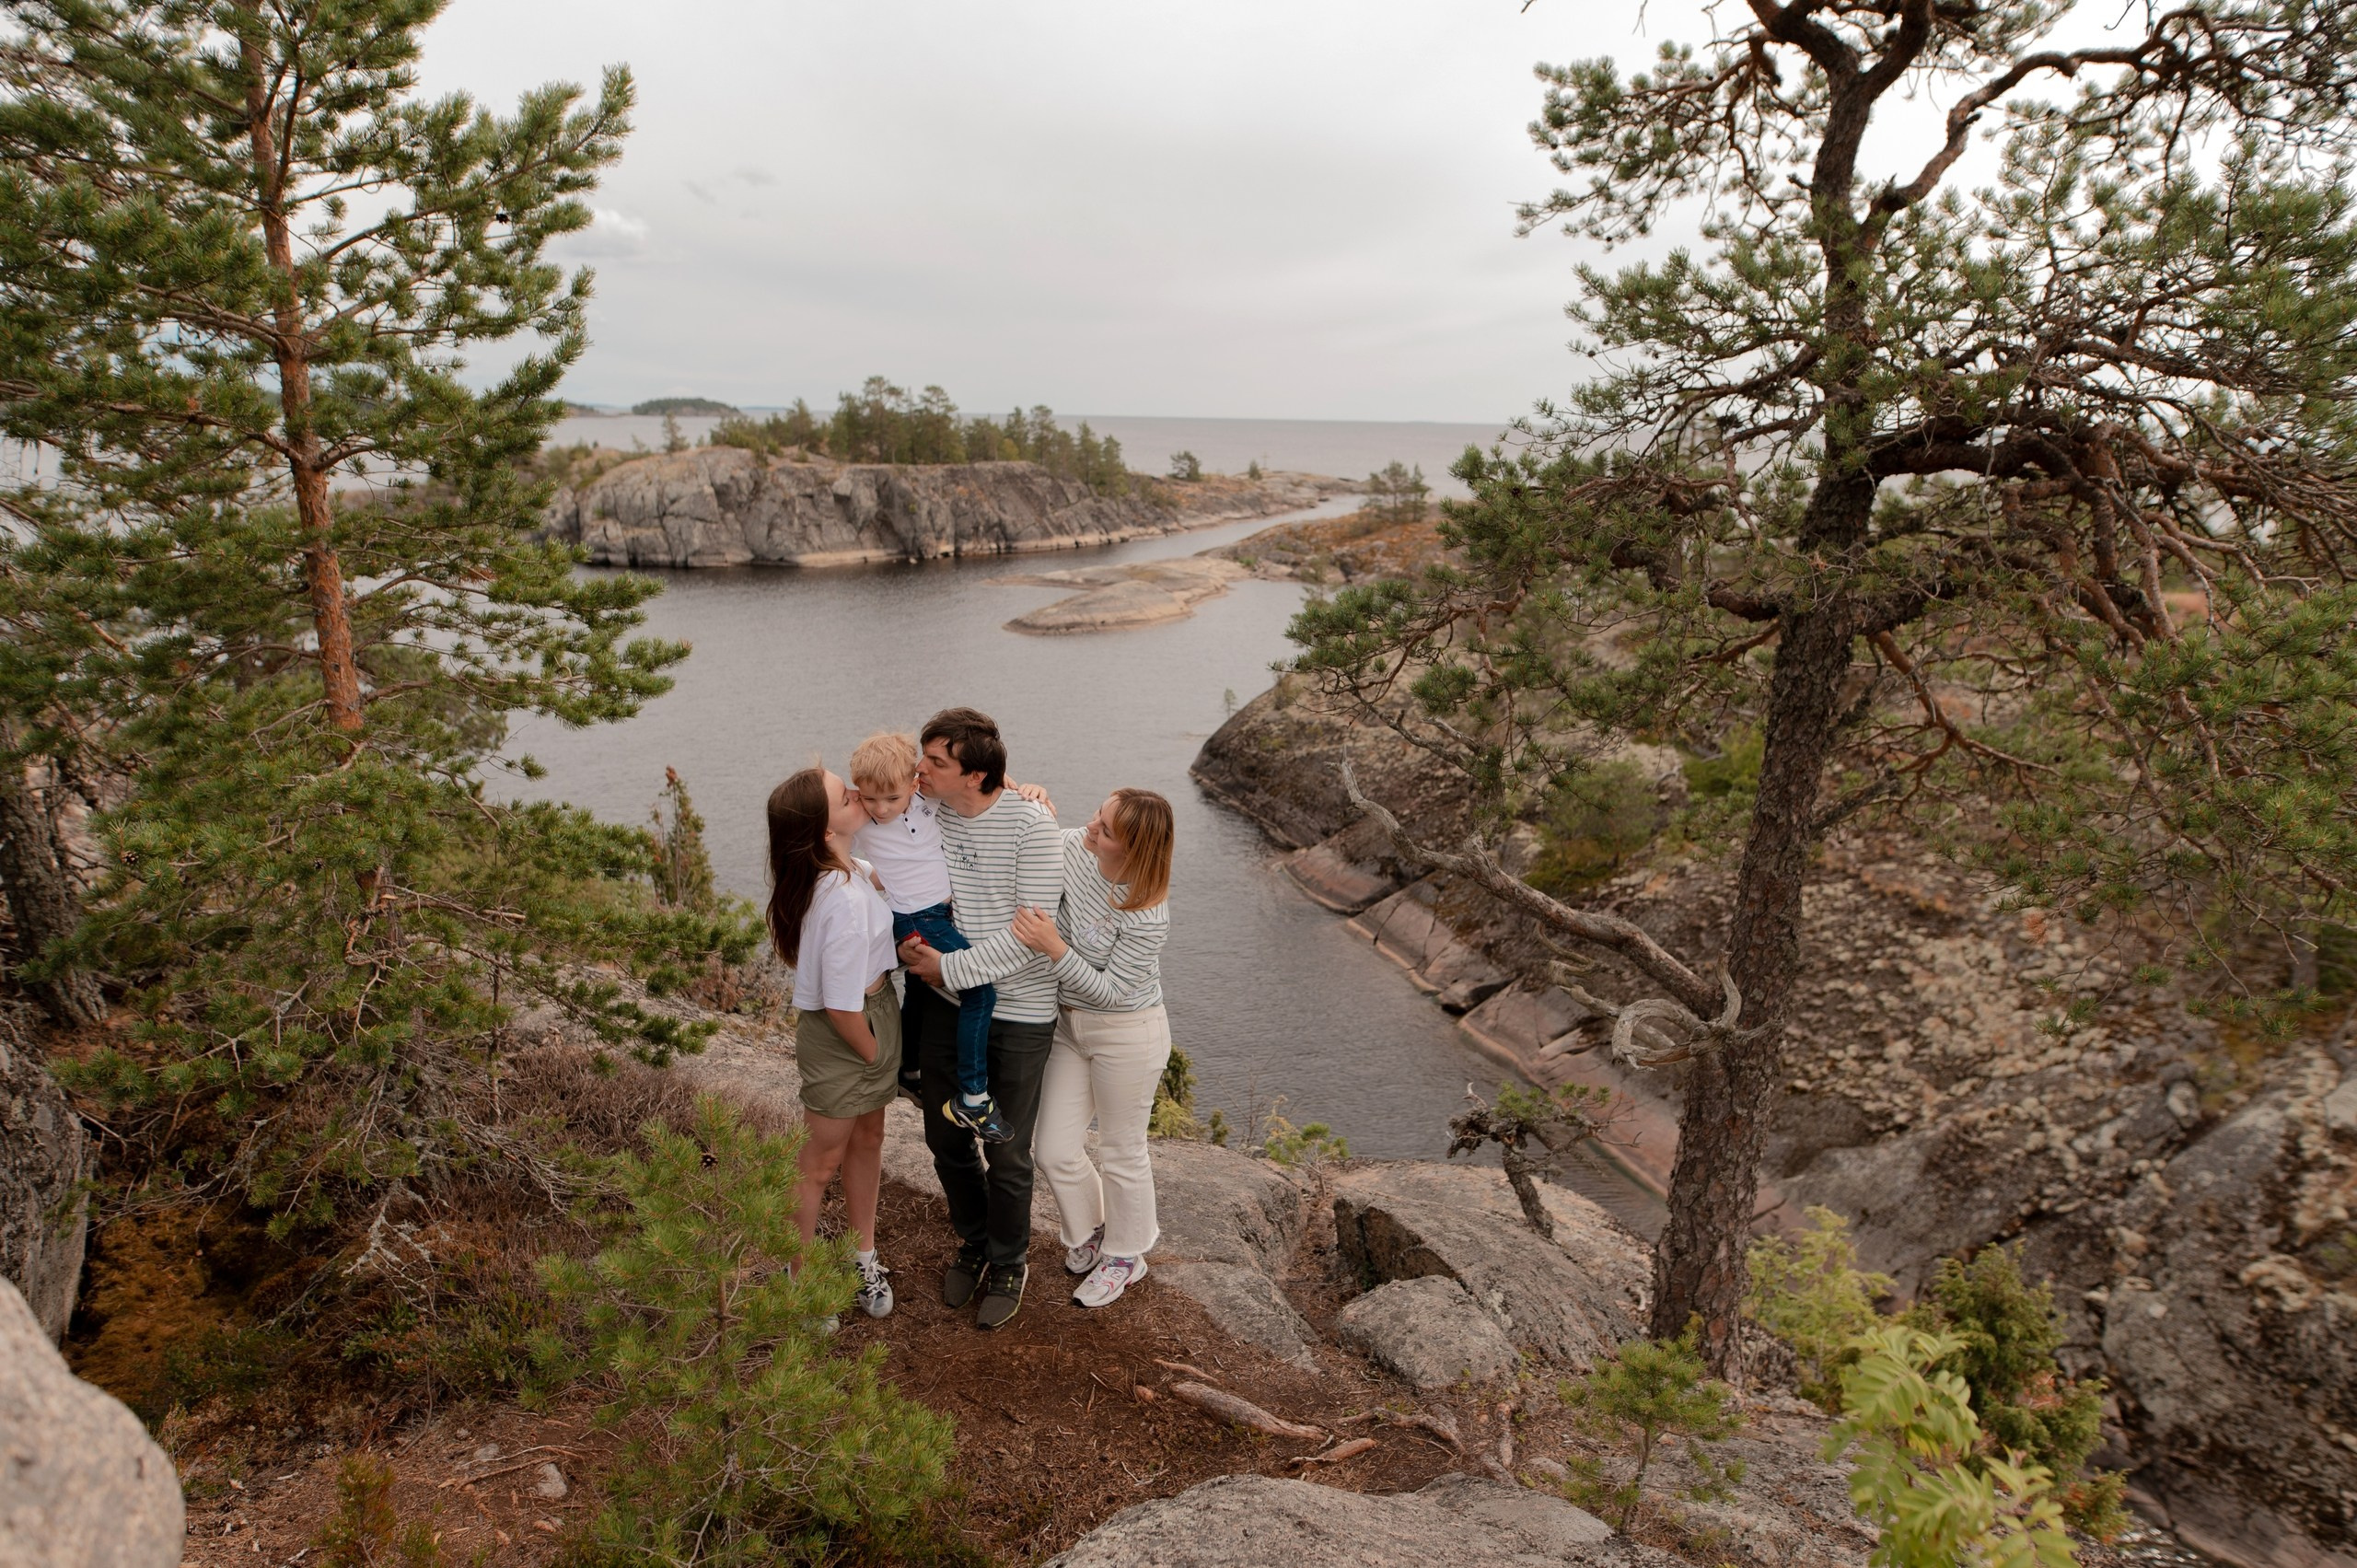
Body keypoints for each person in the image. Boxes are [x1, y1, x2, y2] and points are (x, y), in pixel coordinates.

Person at [896, 707, 1062, 1331]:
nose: (921, 768)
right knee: (945, 1138)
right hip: (947, 1008)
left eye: (935, 760)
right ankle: (975, 1242)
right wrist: (914, 951)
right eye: (924, 754)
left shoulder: (1032, 824)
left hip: (1020, 1013)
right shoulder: (926, 808)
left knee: (1008, 1151)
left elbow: (1030, 937)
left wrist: (947, 968)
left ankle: (1010, 1261)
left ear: (974, 774)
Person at [1015, 789, 1175, 1308]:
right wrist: (1022, 788)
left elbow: (1109, 992)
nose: (1090, 828)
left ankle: (1127, 1257)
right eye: (1097, 817)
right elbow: (1032, 829)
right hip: (1069, 1025)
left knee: (1121, 1151)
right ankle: (1094, 1232)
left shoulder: (1147, 913)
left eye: (1104, 830)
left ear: (1132, 849)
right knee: (1053, 1150)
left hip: (1128, 1033)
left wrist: (1053, 947)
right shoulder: (1075, 849)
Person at [765, 764, 897, 1320]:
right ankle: (801, 1281)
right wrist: (873, 1053)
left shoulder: (849, 869)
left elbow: (910, 853)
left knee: (868, 1138)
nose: (861, 794)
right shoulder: (841, 898)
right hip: (850, 1029)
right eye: (847, 796)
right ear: (825, 830)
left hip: (873, 1013)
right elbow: (841, 1006)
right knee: (819, 1163)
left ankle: (861, 1256)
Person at [846, 732, 1010, 1143]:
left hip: (942, 913)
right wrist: (861, 870)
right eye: (870, 798)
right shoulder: (861, 817)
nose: (881, 809)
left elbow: (975, 786)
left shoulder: (928, 799)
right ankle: (973, 1096)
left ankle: (908, 1067)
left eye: (892, 798)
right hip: (915, 917)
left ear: (913, 782)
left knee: (921, 991)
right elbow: (825, 833)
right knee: (980, 992)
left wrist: (1012, 782)